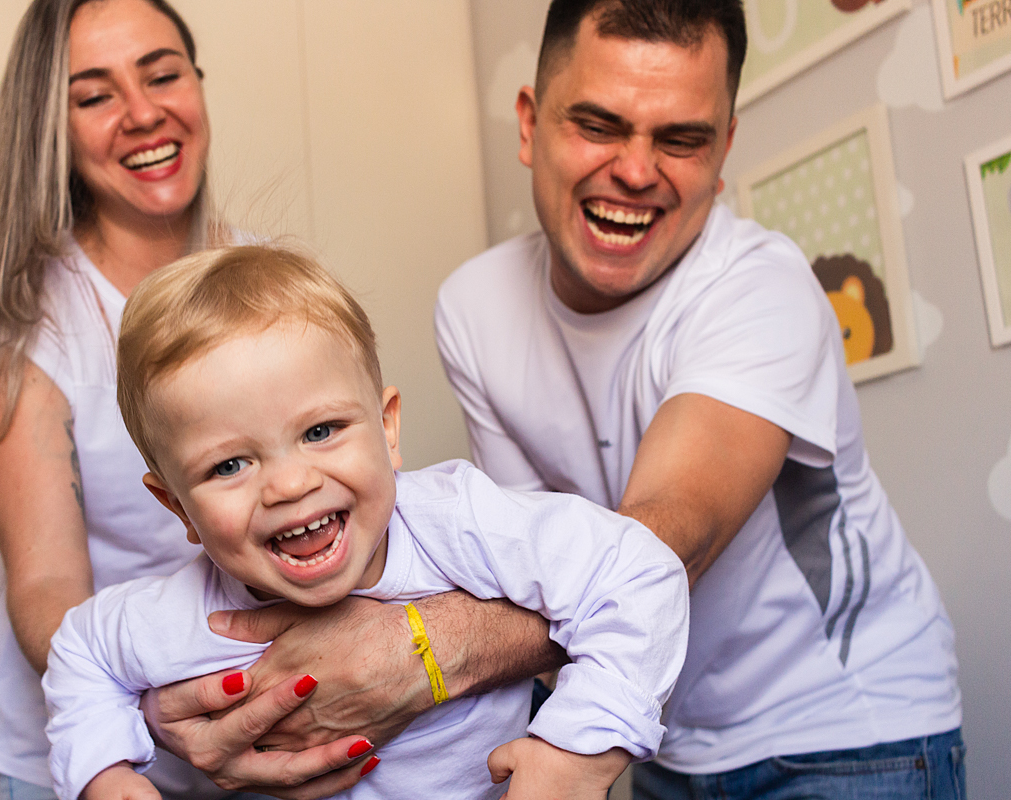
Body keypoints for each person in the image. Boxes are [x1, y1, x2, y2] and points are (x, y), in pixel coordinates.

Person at [434, 1, 965, 798]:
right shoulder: (474, 307)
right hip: (658, 733)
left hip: (843, 729)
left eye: (681, 138)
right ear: (528, 123)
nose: (638, 171)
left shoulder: (763, 286)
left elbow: (669, 538)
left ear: (723, 152)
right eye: (599, 125)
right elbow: (522, 565)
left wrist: (425, 660)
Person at [0, 1, 387, 797]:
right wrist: (166, 707)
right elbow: (49, 590)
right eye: (94, 95)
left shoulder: (268, 287)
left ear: (197, 83)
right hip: (84, 745)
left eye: (161, 75)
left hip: (252, 723)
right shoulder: (29, 330)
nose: (143, 113)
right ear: (51, 127)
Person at [42, 244, 688, 800]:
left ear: (387, 427)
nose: (291, 484)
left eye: (321, 431)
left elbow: (639, 571)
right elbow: (82, 650)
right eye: (231, 465)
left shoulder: (456, 521)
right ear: (177, 507)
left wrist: (579, 751)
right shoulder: (189, 615)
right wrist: (103, 770)